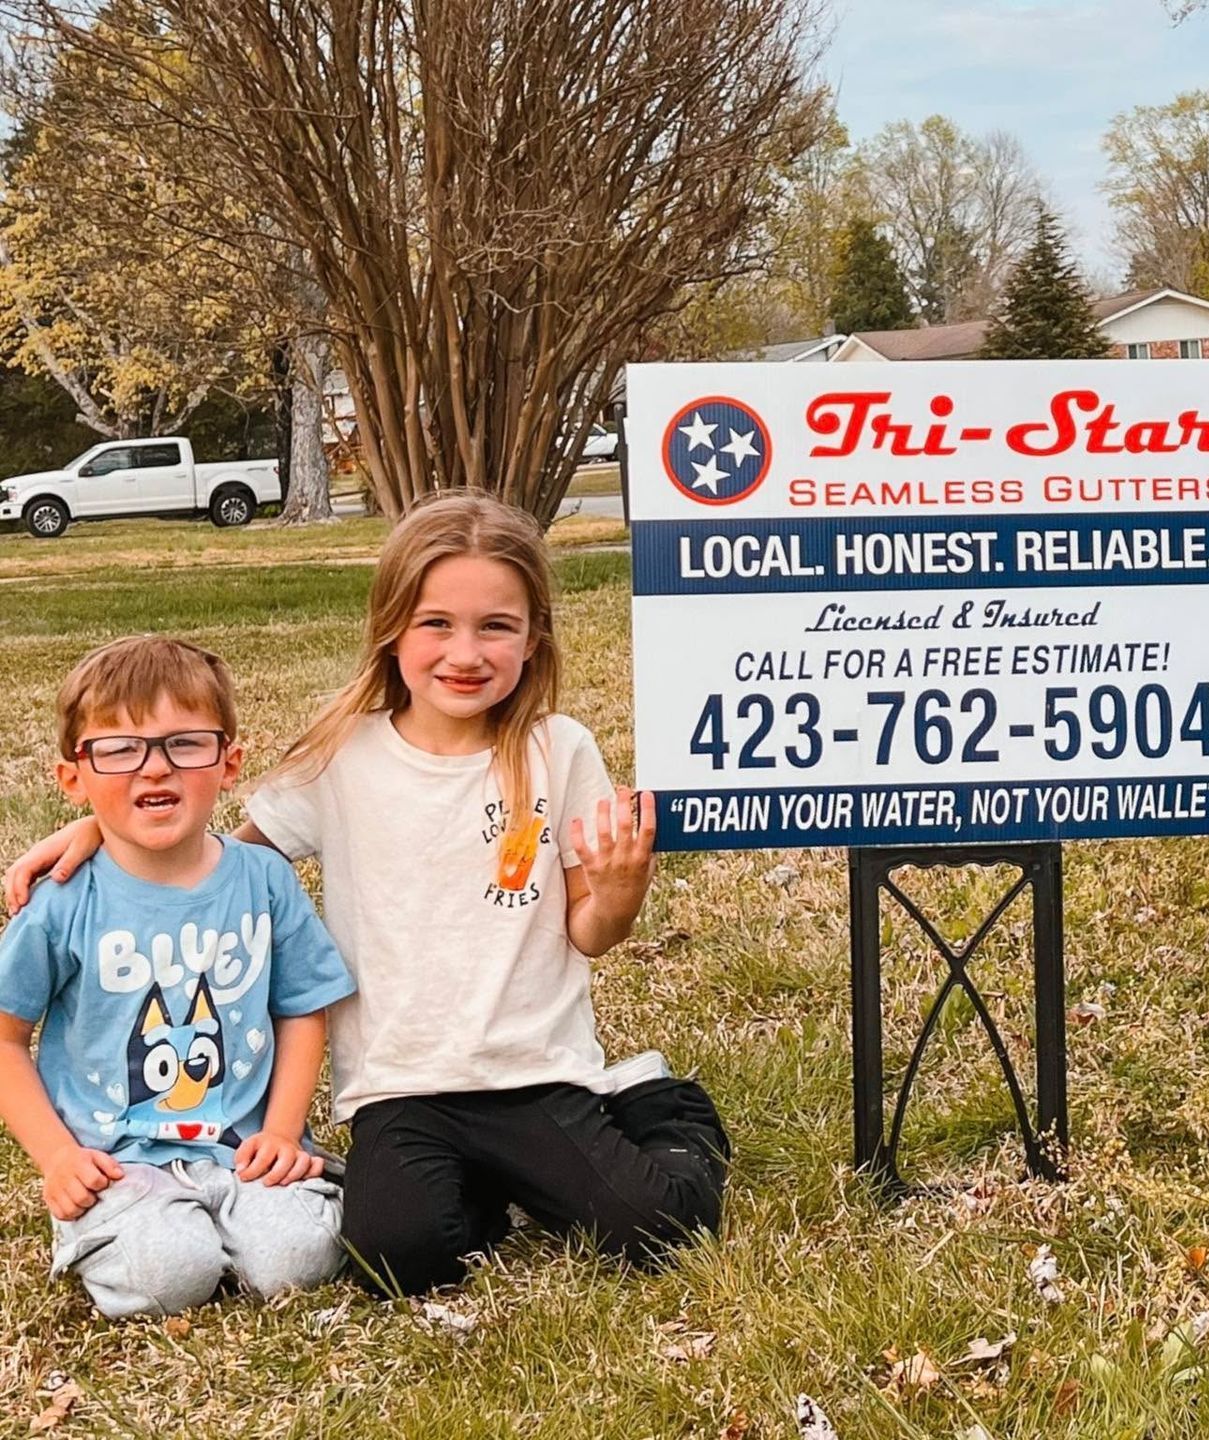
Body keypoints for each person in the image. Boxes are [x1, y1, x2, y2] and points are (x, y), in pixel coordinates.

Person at [6, 493, 730, 1294]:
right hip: (397, 1089)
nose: (466, 651)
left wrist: (623, 888)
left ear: (533, 637)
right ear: (391, 628)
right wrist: (100, 841)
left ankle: (655, 1102)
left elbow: (590, 931)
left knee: (655, 1228)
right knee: (395, 1258)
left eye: (496, 626)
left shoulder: (558, 751)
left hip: (534, 1070)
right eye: (436, 624)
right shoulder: (341, 754)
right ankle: (484, 1183)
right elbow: (212, 859)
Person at [0, 637, 355, 1317]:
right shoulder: (65, 901)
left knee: (295, 1260)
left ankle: (236, 1221)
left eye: (184, 745)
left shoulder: (265, 881)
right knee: (172, 1273)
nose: (154, 770)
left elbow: (304, 1006)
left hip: (244, 1153)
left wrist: (282, 1132)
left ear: (229, 762)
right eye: (119, 749)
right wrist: (57, 1160)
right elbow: (6, 1035)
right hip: (118, 1164)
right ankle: (149, 1233)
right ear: (72, 778)